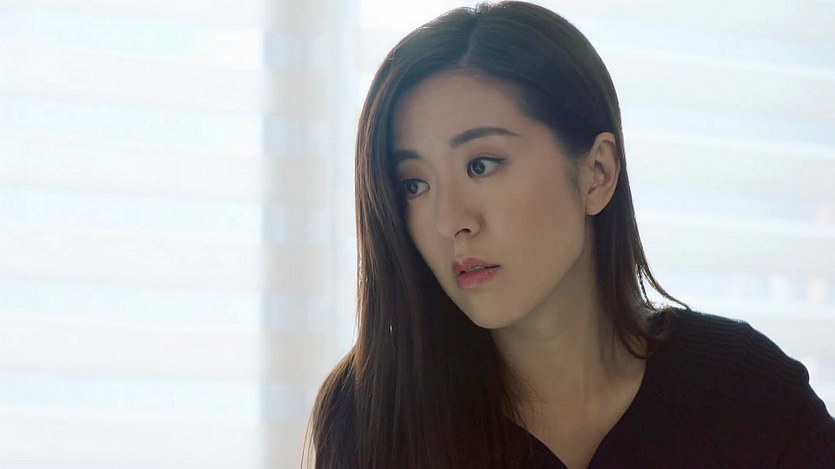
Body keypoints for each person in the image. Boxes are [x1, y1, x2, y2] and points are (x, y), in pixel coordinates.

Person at [304, 2, 835, 467]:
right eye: (414, 185)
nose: (450, 221)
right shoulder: (372, 416)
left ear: (597, 173)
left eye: (482, 165)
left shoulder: (745, 392)